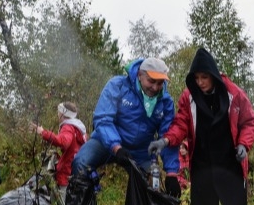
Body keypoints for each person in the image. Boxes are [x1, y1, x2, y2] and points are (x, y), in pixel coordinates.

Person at [148, 47, 254, 205]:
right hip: (203, 158)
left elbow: (249, 122)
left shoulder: (233, 93)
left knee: (231, 202)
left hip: (229, 158)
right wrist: (166, 140)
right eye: (196, 78)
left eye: (204, 77)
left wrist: (244, 145)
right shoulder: (189, 97)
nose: (200, 82)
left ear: (213, 75)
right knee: (206, 204)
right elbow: (181, 124)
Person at [71, 57, 180, 197]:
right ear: (140, 75)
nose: (155, 87)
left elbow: (167, 136)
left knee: (151, 185)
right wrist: (116, 147)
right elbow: (103, 119)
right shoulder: (118, 85)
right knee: (81, 163)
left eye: (160, 83)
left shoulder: (165, 102)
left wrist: (171, 172)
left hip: (141, 150)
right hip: (105, 142)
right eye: (151, 81)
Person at [30, 102, 87, 205]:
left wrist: (43, 132)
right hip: (76, 171)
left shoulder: (68, 127)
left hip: (67, 172)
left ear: (63, 114)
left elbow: (63, 141)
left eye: (58, 112)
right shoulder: (78, 128)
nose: (57, 114)